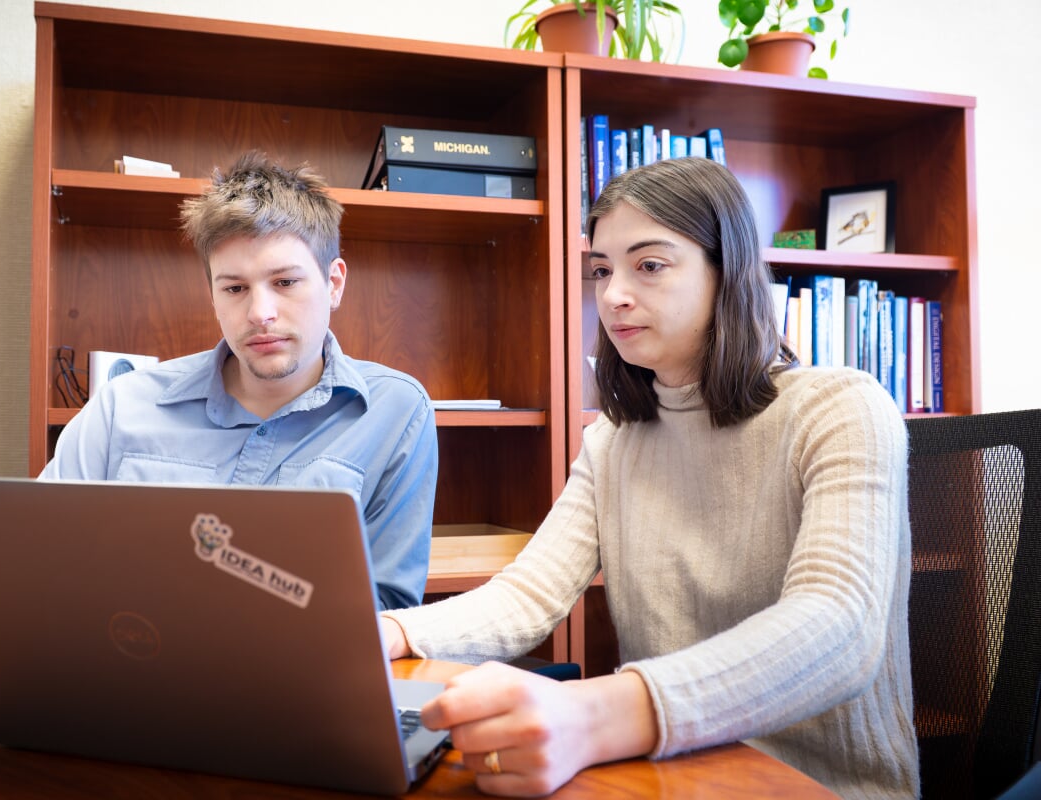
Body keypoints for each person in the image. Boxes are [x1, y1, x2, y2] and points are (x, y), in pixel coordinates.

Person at [380, 156, 918, 798]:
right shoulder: (612, 441)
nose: (612, 295)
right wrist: (386, 633)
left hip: (814, 783)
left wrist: (596, 712)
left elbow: (838, 626)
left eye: (650, 265)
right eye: (602, 270)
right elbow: (527, 596)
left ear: (728, 272)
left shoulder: (842, 409)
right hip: (672, 770)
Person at [41, 151, 439, 611]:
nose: (259, 314)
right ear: (212, 295)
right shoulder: (121, 405)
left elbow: (389, 610)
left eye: (286, 283)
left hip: (301, 675)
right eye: (234, 289)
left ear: (334, 283)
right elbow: (43, 557)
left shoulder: (396, 411)